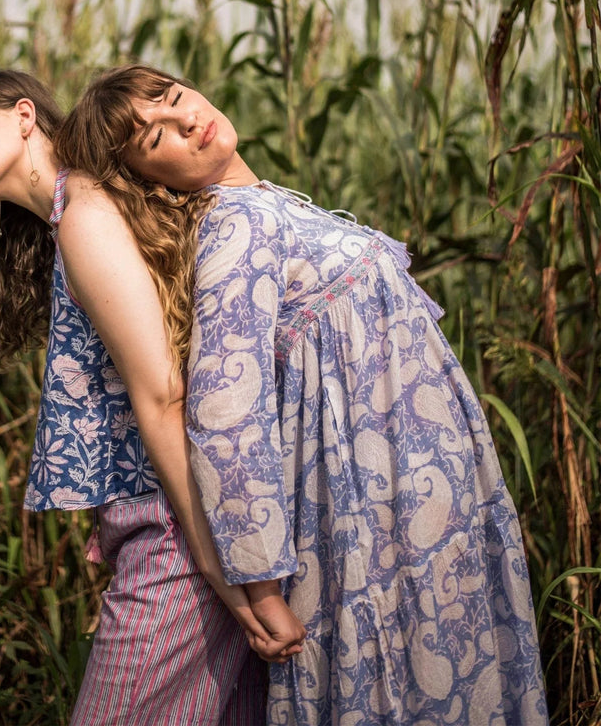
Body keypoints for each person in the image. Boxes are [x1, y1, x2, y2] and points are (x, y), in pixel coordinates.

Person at [55, 63, 550, 725]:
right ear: (148, 178)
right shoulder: (232, 226)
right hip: (380, 502)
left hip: (419, 484)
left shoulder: (270, 204)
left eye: (173, 99)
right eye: (154, 138)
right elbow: (227, 411)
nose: (183, 120)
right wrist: (259, 588)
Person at [0, 69, 306, 726]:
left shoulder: (86, 211)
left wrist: (225, 572)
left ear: (24, 115)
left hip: (183, 529)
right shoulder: (87, 207)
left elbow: (165, 393)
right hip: (192, 517)